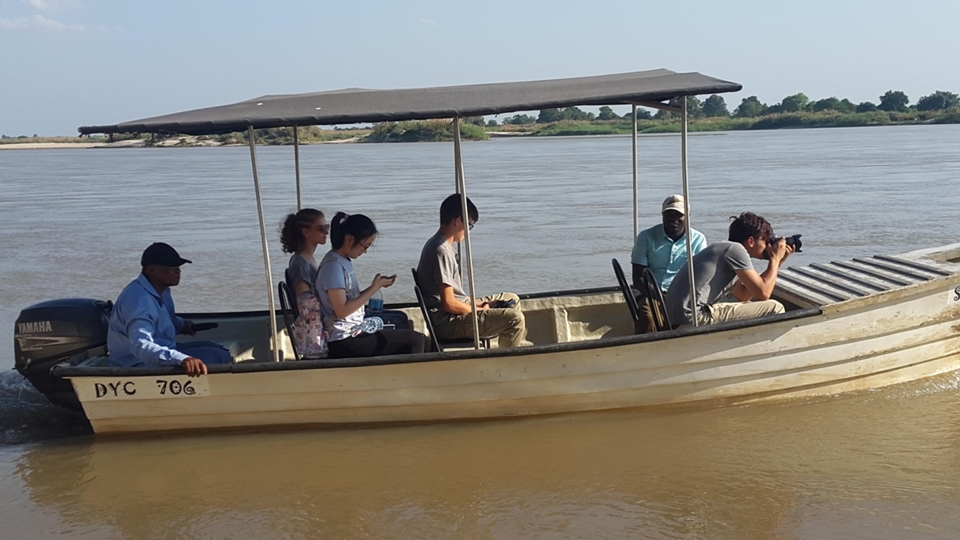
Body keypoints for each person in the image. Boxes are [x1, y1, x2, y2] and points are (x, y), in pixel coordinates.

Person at [417, 194, 527, 349]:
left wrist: (481, 303)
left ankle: (510, 345)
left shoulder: (440, 245)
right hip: (448, 323)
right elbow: (449, 303)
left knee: (511, 298)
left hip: (455, 311)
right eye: (469, 226)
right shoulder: (441, 251)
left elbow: (456, 295)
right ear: (457, 221)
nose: (468, 232)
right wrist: (478, 309)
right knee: (515, 319)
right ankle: (506, 361)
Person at [106, 242, 232, 376]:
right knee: (219, 356)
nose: (178, 271)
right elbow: (141, 346)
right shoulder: (138, 300)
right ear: (151, 270)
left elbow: (166, 319)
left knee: (216, 348)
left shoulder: (162, 290)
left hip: (162, 349)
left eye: (178, 267)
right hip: (136, 363)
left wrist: (183, 324)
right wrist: (182, 359)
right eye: (170, 267)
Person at [315, 212, 427, 358]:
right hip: (342, 339)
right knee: (415, 341)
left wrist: (377, 286)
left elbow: (349, 301)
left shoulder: (342, 261)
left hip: (352, 331)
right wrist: (374, 288)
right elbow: (342, 310)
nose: (365, 251)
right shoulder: (333, 267)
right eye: (365, 246)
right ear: (350, 239)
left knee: (410, 331)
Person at [665, 212, 794, 326]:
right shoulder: (736, 250)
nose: (768, 246)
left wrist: (777, 262)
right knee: (774, 307)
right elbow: (764, 293)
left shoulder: (727, 250)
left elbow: (742, 295)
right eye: (766, 241)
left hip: (680, 316)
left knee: (749, 305)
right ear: (750, 241)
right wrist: (775, 260)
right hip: (693, 316)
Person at [631, 194, 707, 293]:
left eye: (678, 215)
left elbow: (701, 275)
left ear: (687, 216)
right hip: (650, 294)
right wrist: (660, 297)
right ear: (662, 215)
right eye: (669, 215)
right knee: (647, 308)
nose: (673, 219)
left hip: (683, 295)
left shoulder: (698, 239)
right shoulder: (645, 237)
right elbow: (638, 277)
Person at [280, 208, 329, 357]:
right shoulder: (301, 263)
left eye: (327, 227)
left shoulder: (307, 259)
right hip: (315, 335)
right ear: (306, 232)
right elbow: (305, 303)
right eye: (321, 228)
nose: (326, 232)